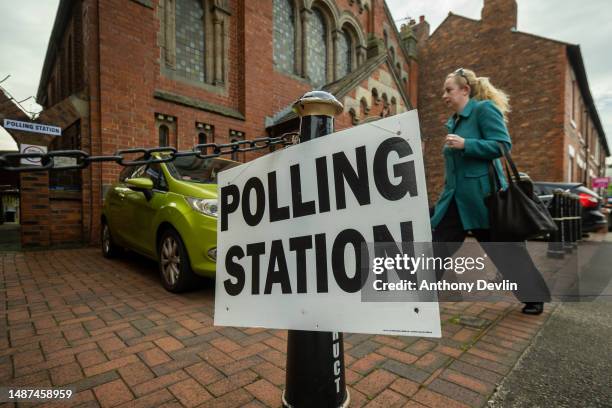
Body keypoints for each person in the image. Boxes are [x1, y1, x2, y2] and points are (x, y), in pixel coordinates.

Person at [430, 68, 550, 315]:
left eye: (448, 90)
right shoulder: (455, 121)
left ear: (465, 90)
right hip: (454, 200)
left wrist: (467, 144)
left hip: (484, 200)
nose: (444, 95)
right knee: (437, 245)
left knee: (505, 250)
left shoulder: (483, 110)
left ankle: (534, 297)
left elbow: (502, 144)